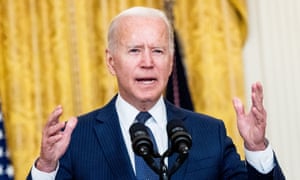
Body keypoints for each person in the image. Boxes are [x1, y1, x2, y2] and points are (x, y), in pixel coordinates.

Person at [27, 6, 285, 179]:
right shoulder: (76, 139)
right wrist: (46, 167)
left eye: (158, 51)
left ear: (171, 62)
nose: (147, 62)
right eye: (134, 50)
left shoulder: (209, 134)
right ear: (110, 61)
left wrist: (256, 147)